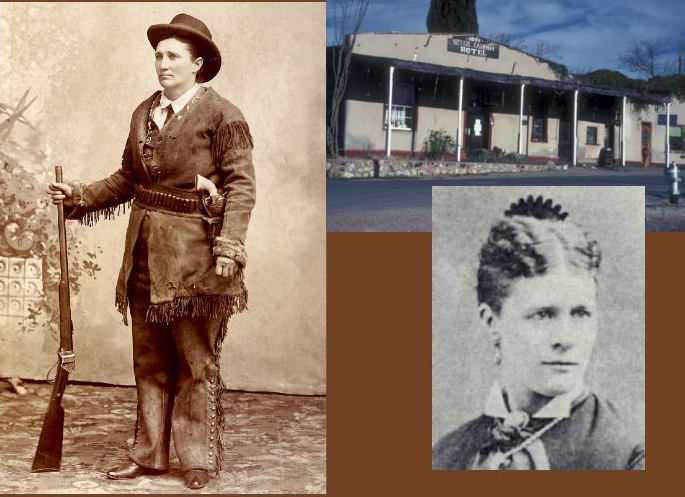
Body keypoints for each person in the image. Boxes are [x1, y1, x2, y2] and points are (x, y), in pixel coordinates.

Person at [46, 13, 255, 489]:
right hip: (142, 256)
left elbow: (241, 187)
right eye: (158, 55)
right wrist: (78, 194)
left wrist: (229, 247)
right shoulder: (143, 113)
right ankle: (150, 455)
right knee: (149, 360)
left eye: (173, 56)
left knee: (195, 362)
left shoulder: (224, 115)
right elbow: (126, 179)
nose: (162, 63)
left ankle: (196, 459)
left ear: (197, 64)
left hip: (197, 259)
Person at [432, 195, 644, 470]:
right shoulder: (446, 454)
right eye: (542, 314)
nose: (565, 339)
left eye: (581, 313)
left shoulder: (631, 452)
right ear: (491, 321)